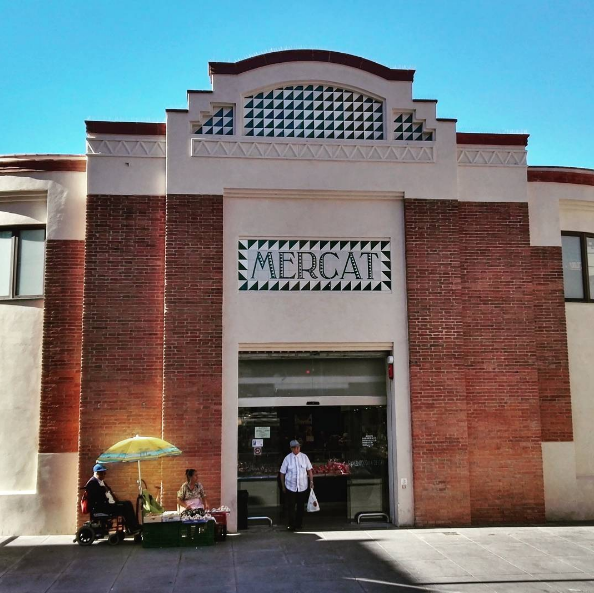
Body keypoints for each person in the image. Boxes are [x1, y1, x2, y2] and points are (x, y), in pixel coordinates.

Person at [85, 464, 140, 533]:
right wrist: (106, 493)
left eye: (104, 473)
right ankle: (132, 527)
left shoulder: (101, 482)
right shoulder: (92, 483)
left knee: (128, 503)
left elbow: (108, 492)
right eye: (102, 473)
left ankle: (133, 525)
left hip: (109, 504)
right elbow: (97, 497)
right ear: (97, 473)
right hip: (102, 507)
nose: (104, 474)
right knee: (125, 506)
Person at [279, 440, 314, 531]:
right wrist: (283, 485)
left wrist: (311, 481)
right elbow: (282, 473)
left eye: (298, 447)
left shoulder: (304, 457)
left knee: (301, 506)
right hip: (291, 486)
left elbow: (309, 470)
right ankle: (291, 524)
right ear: (291, 449)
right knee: (291, 506)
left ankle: (299, 523)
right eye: (294, 447)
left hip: (302, 486)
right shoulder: (287, 458)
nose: (297, 449)